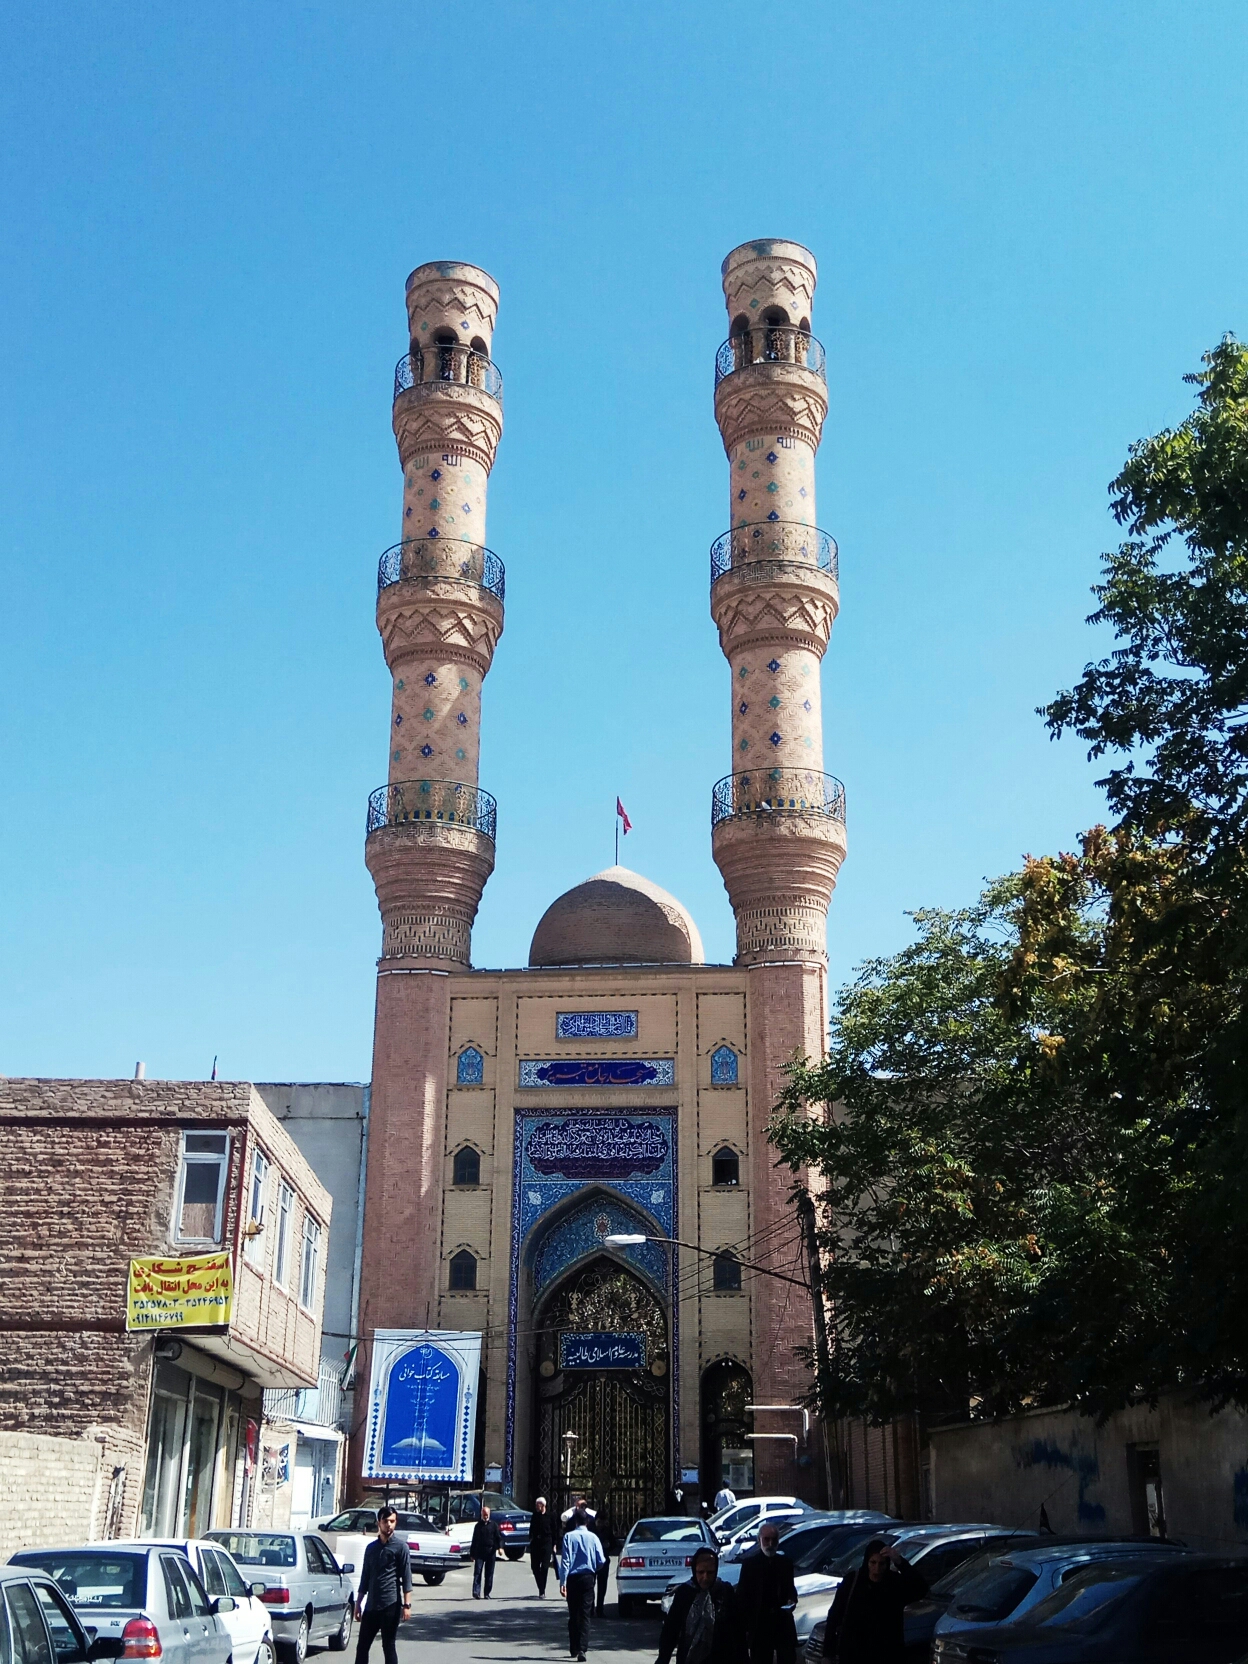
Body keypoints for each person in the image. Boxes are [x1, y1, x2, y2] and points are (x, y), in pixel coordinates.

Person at [821, 1540, 927, 1664]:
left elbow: (921, 1588)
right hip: (854, 1653)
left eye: (881, 1564)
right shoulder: (853, 1582)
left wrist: (899, 1561)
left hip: (886, 1654)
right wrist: (828, 1653)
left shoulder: (894, 1583)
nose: (876, 1569)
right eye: (873, 1563)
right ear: (867, 1562)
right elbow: (834, 1616)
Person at [656, 1547, 745, 1664]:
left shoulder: (725, 1592)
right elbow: (671, 1629)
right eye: (701, 1572)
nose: (705, 1577)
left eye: (710, 1573)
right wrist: (663, 1658)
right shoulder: (685, 1593)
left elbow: (737, 1630)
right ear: (694, 1570)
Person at [354, 1505, 412, 1664]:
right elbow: (365, 1577)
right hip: (372, 1606)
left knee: (388, 1645)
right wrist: (358, 1603)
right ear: (379, 1522)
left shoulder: (401, 1548)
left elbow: (407, 1578)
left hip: (390, 1605)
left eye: (392, 1521)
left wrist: (407, 1605)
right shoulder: (371, 1548)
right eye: (386, 1521)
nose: (389, 1525)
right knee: (362, 1647)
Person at [735, 1521, 797, 1664]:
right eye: (766, 1539)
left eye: (773, 1540)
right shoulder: (750, 1565)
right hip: (759, 1627)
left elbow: (790, 1590)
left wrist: (791, 1601)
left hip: (782, 1625)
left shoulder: (785, 1564)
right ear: (759, 1540)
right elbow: (742, 1597)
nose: (770, 1544)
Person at [558, 1506, 606, 1661]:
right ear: (587, 1522)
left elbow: (565, 1561)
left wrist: (562, 1582)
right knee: (585, 1614)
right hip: (588, 1578)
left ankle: (573, 1647)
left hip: (572, 1579)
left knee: (573, 1614)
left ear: (576, 1521)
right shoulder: (593, 1538)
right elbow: (601, 1560)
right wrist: (593, 1570)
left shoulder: (568, 1537)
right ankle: (582, 1649)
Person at [470, 1502, 504, 1599]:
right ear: (481, 1514)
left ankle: (487, 1593)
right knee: (477, 1572)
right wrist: (472, 1554)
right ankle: (476, 1592)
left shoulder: (494, 1525)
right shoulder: (478, 1526)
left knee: (489, 1574)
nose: (485, 1516)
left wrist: (500, 1548)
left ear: (489, 1514)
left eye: (487, 1514)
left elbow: (498, 1538)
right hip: (480, 1552)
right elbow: (474, 1540)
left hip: (490, 1552)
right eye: (484, 1514)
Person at [529, 1496, 555, 1598]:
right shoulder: (535, 1515)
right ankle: (540, 1587)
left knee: (544, 1567)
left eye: (538, 1505)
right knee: (535, 1567)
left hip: (546, 1543)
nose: (536, 1506)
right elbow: (531, 1528)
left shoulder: (550, 1515)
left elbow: (555, 1530)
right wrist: (530, 1538)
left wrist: (555, 1544)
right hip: (535, 1543)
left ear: (543, 1505)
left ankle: (542, 1590)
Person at [589, 1507, 611, 1616]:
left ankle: (600, 1609)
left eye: (603, 1522)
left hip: (604, 1561)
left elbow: (613, 1543)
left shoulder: (607, 1530)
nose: (601, 1524)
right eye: (599, 1521)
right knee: (590, 1585)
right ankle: (591, 1608)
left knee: (602, 1587)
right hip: (592, 1562)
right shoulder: (590, 1529)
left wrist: (608, 1546)